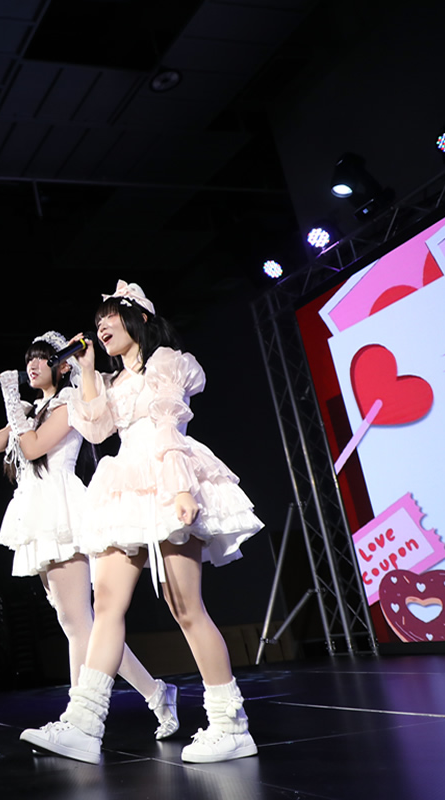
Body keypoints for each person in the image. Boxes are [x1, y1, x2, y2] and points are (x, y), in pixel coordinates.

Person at [23, 281, 264, 765]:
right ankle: (84, 724)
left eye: (109, 318)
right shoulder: (111, 381)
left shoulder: (166, 362)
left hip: (167, 474)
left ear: (139, 319)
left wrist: (180, 487)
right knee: (107, 605)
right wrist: (87, 371)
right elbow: (96, 428)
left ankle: (230, 725)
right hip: (125, 485)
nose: (101, 327)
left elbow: (169, 423)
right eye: (97, 323)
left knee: (185, 607)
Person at [0, 331, 179, 743]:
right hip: (37, 510)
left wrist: (9, 395)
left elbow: (31, 449)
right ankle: (155, 694)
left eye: (41, 358)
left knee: (79, 624)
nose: (31, 365)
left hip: (60, 508)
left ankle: (80, 718)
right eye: (28, 359)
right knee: (79, 626)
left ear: (62, 366)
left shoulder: (69, 404)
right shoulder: (32, 410)